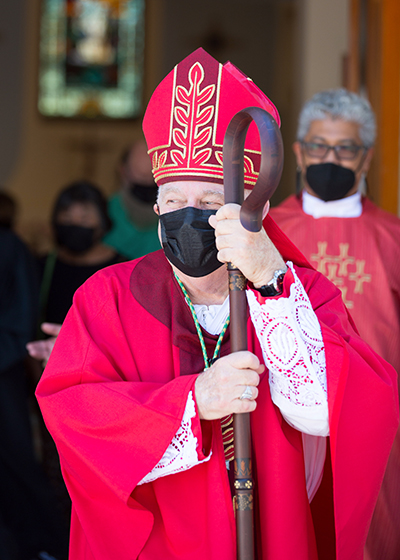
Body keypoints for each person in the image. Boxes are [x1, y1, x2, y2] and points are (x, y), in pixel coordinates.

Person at [35, 49, 398, 560]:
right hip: (161, 539)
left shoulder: (303, 294)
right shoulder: (107, 296)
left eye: (209, 203)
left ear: (257, 207)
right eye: (176, 199)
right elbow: (72, 414)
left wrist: (271, 281)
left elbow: (332, 414)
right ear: (158, 205)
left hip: (273, 531)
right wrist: (191, 403)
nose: (190, 215)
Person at [268, 88, 400, 560]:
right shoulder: (267, 231)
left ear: (365, 159)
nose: (331, 158)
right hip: (288, 411)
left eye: (345, 148)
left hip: (377, 412)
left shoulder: (392, 236)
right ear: (300, 151)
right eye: (319, 146)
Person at [0, 226, 69, 560]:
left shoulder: (9, 246)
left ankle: (43, 547)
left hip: (3, 375)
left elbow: (22, 320)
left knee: (16, 466)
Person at [102, 139, 161, 259]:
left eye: (152, 176)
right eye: (141, 175)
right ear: (123, 171)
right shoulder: (105, 213)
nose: (147, 181)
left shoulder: (176, 215)